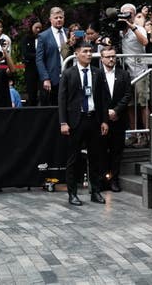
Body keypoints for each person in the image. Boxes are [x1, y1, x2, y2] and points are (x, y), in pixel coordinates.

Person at [58, 41, 109, 206]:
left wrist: (104, 120)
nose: (89, 54)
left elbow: (102, 99)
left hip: (93, 119)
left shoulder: (97, 73)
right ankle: (72, 194)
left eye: (90, 51)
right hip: (75, 120)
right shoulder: (68, 73)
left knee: (95, 157)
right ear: (77, 53)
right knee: (73, 158)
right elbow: (62, 100)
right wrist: (63, 122)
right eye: (85, 51)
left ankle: (96, 192)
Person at [100, 45, 132, 192]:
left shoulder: (124, 74)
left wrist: (116, 110)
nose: (111, 59)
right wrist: (106, 112)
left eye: (113, 56)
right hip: (102, 120)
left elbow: (127, 95)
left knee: (117, 152)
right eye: (108, 56)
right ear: (102, 59)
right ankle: (102, 180)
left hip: (119, 118)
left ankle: (114, 180)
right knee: (101, 151)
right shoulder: (97, 74)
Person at [119, 3, 149, 147]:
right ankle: (134, 133)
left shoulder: (139, 28)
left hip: (140, 71)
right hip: (126, 73)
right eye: (124, 13)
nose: (127, 15)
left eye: (130, 13)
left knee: (143, 103)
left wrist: (132, 26)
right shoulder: (119, 30)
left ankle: (146, 135)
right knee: (130, 105)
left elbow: (145, 41)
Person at [36, 7, 68, 106]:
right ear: (50, 19)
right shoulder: (43, 36)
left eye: (61, 17)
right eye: (56, 18)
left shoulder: (69, 33)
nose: (59, 20)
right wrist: (45, 78)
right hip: (53, 77)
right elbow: (39, 59)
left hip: (70, 75)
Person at [20, 20, 42, 106]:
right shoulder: (26, 38)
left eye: (40, 28)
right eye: (36, 27)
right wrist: (39, 56)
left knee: (44, 91)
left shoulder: (43, 38)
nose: (38, 30)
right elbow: (25, 53)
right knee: (31, 91)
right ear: (32, 27)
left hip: (42, 67)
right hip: (30, 67)